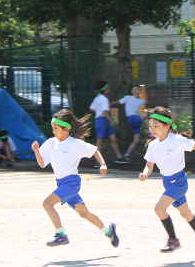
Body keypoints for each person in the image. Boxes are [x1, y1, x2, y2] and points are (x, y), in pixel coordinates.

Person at [31, 109, 119, 247]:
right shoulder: (50, 143)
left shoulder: (75, 144)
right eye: (52, 128)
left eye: (56, 128)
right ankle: (109, 231)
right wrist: (37, 151)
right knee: (84, 213)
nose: (53, 131)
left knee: (47, 203)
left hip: (71, 182)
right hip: (62, 184)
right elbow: (42, 164)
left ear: (66, 129)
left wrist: (102, 164)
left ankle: (60, 234)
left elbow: (95, 150)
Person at [139, 106, 195, 258]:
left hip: (179, 181)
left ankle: (173, 240)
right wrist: (145, 174)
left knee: (159, 209)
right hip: (167, 182)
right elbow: (149, 165)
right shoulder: (153, 145)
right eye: (150, 126)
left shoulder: (177, 140)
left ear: (167, 126)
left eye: (156, 126)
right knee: (186, 214)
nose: (152, 129)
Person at [89, 80, 129, 167]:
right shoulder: (104, 99)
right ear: (105, 89)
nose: (109, 89)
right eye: (108, 87)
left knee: (113, 138)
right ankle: (98, 161)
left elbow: (91, 108)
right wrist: (111, 120)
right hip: (102, 120)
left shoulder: (97, 98)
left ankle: (118, 157)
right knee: (99, 142)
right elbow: (105, 111)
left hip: (103, 120)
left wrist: (99, 110)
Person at [110, 84, 148, 161]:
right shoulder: (128, 98)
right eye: (136, 88)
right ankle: (149, 131)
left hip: (135, 120)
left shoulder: (140, 101)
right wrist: (109, 104)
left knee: (136, 140)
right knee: (149, 114)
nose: (138, 89)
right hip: (132, 118)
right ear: (132, 91)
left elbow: (146, 101)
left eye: (138, 89)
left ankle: (126, 155)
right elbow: (118, 102)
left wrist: (144, 91)